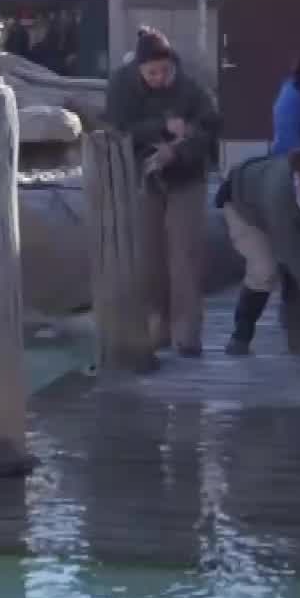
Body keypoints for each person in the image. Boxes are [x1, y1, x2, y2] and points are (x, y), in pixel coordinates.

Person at [105, 27, 222, 358]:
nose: (158, 77)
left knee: (185, 255)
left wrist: (178, 150)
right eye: (151, 72)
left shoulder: (190, 89)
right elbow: (117, 127)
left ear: (173, 65)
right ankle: (158, 327)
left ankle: (188, 334)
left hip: (186, 176)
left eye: (164, 71)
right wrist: (161, 128)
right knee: (149, 257)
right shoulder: (121, 86)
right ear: (139, 69)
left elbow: (210, 129)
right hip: (144, 175)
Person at [215, 147, 300, 358]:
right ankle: (242, 332)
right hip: (246, 209)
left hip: (299, 219)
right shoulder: (278, 193)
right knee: (265, 269)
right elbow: (292, 255)